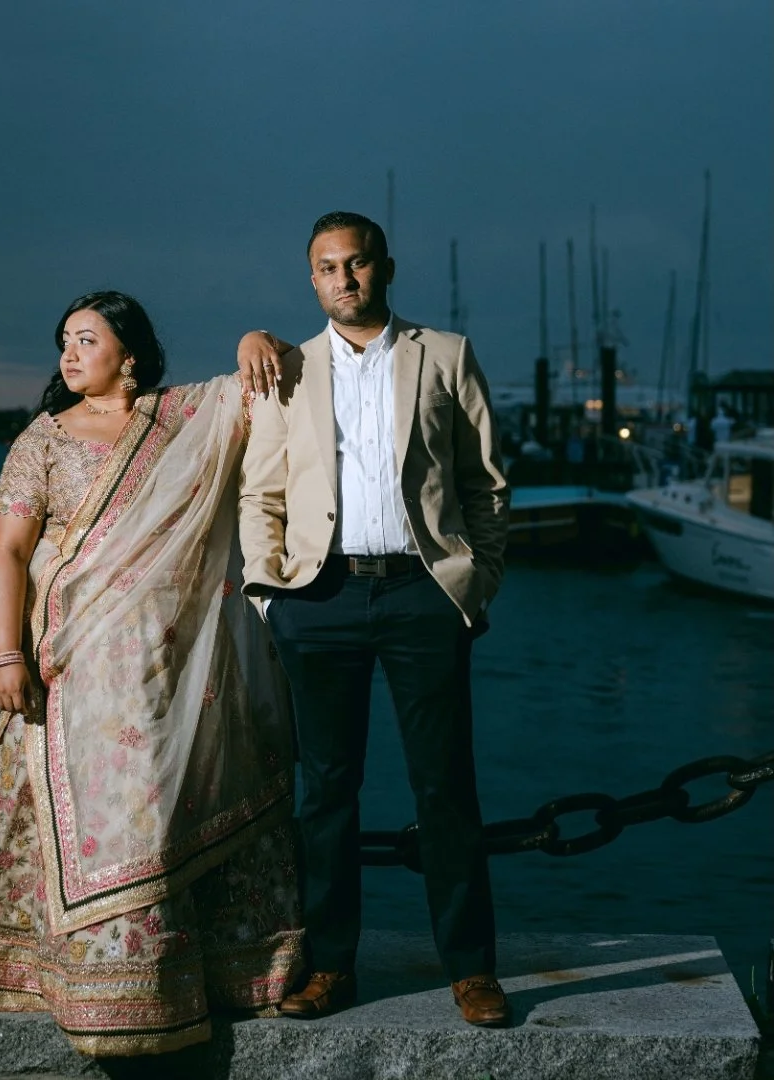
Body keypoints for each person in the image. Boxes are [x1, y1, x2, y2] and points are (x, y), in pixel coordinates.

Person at [0, 291, 303, 1056]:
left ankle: (193, 968)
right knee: (92, 808)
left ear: (128, 354)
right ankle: (74, 976)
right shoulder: (43, 438)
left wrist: (252, 334)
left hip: (164, 664)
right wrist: (5, 654)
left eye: (86, 340)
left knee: (164, 801)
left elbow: (269, 377)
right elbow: (7, 553)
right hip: (70, 660)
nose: (68, 354)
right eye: (63, 340)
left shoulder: (178, 422)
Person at [237, 211, 511, 1027]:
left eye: (357, 264)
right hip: (316, 600)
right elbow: (262, 492)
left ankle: (470, 970)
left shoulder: (447, 355)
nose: (344, 279)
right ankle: (331, 968)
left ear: (385, 268)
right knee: (325, 791)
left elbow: (486, 483)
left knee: (446, 785)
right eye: (327, 268)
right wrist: (269, 593)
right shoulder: (288, 367)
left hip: (423, 594)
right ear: (312, 280)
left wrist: (476, 583)